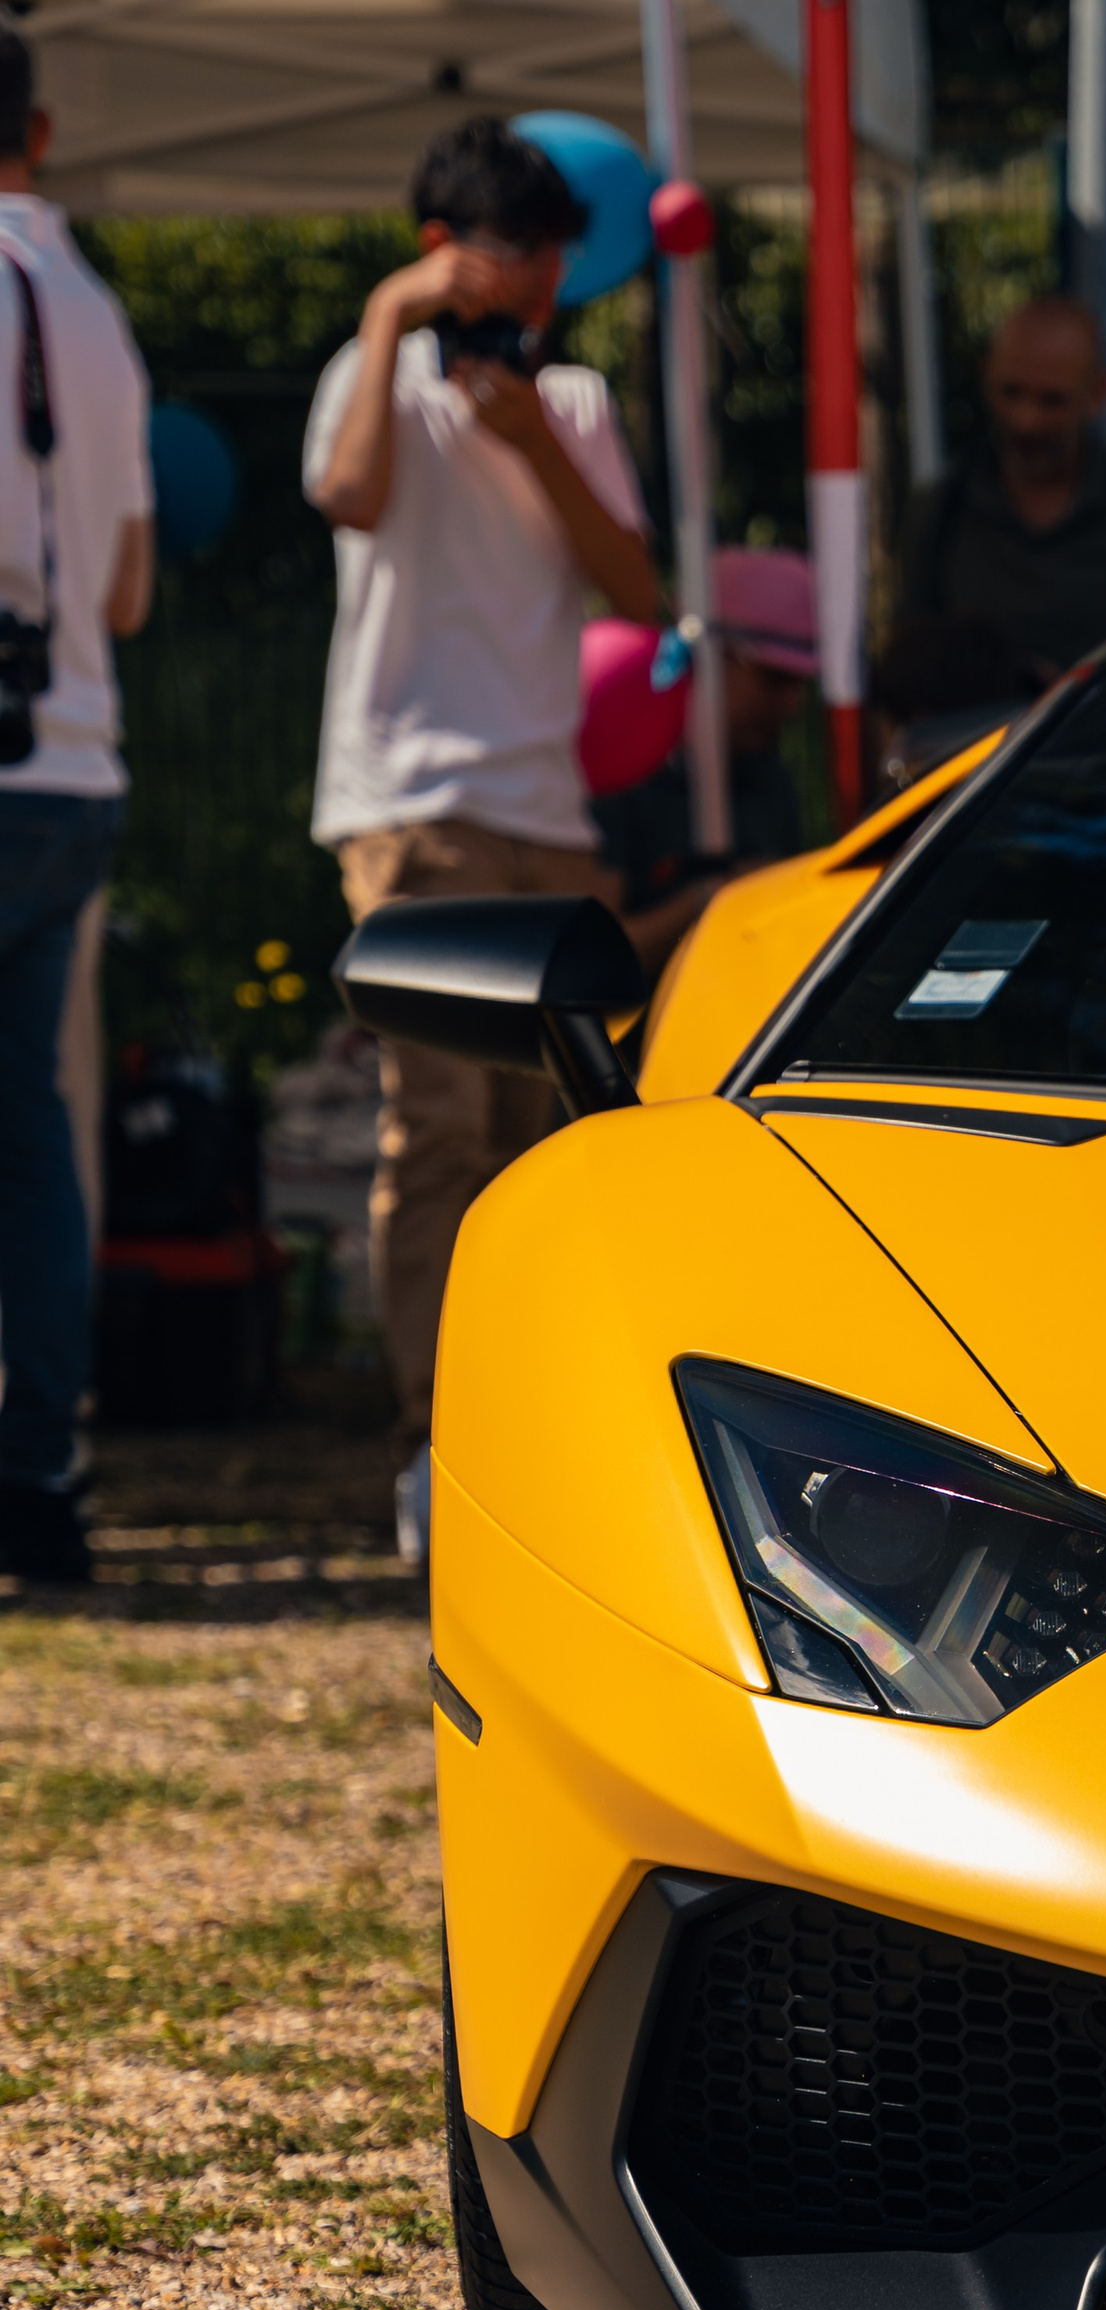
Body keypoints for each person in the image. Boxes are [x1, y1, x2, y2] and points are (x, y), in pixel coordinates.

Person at [304, 115, 657, 1562]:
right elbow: (345, 494)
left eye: (550, 272)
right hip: (413, 803)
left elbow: (637, 581)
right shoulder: (370, 373)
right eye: (507, 273)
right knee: (438, 1132)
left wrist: (535, 438)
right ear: (451, 258)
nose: (534, 304)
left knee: (551, 1150)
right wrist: (393, 318)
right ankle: (432, 1447)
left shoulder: (569, 399)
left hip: (546, 814)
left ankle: (540, 1443)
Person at [0, 22, 154, 1588]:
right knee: (31, 1129)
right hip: (72, 757)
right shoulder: (94, 310)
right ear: (38, 130)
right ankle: (38, 1475)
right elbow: (128, 580)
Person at [885, 293, 1106, 765]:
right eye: (1012, 393)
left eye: (1052, 401)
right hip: (967, 793)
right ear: (986, 377)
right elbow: (901, 682)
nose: (1026, 420)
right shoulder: (941, 507)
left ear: (1099, 394)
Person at [594, 546, 815, 977]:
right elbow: (596, 957)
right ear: (707, 658)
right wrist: (715, 899)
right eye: (775, 680)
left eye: (801, 684)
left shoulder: (770, 782)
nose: (792, 705)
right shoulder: (619, 776)